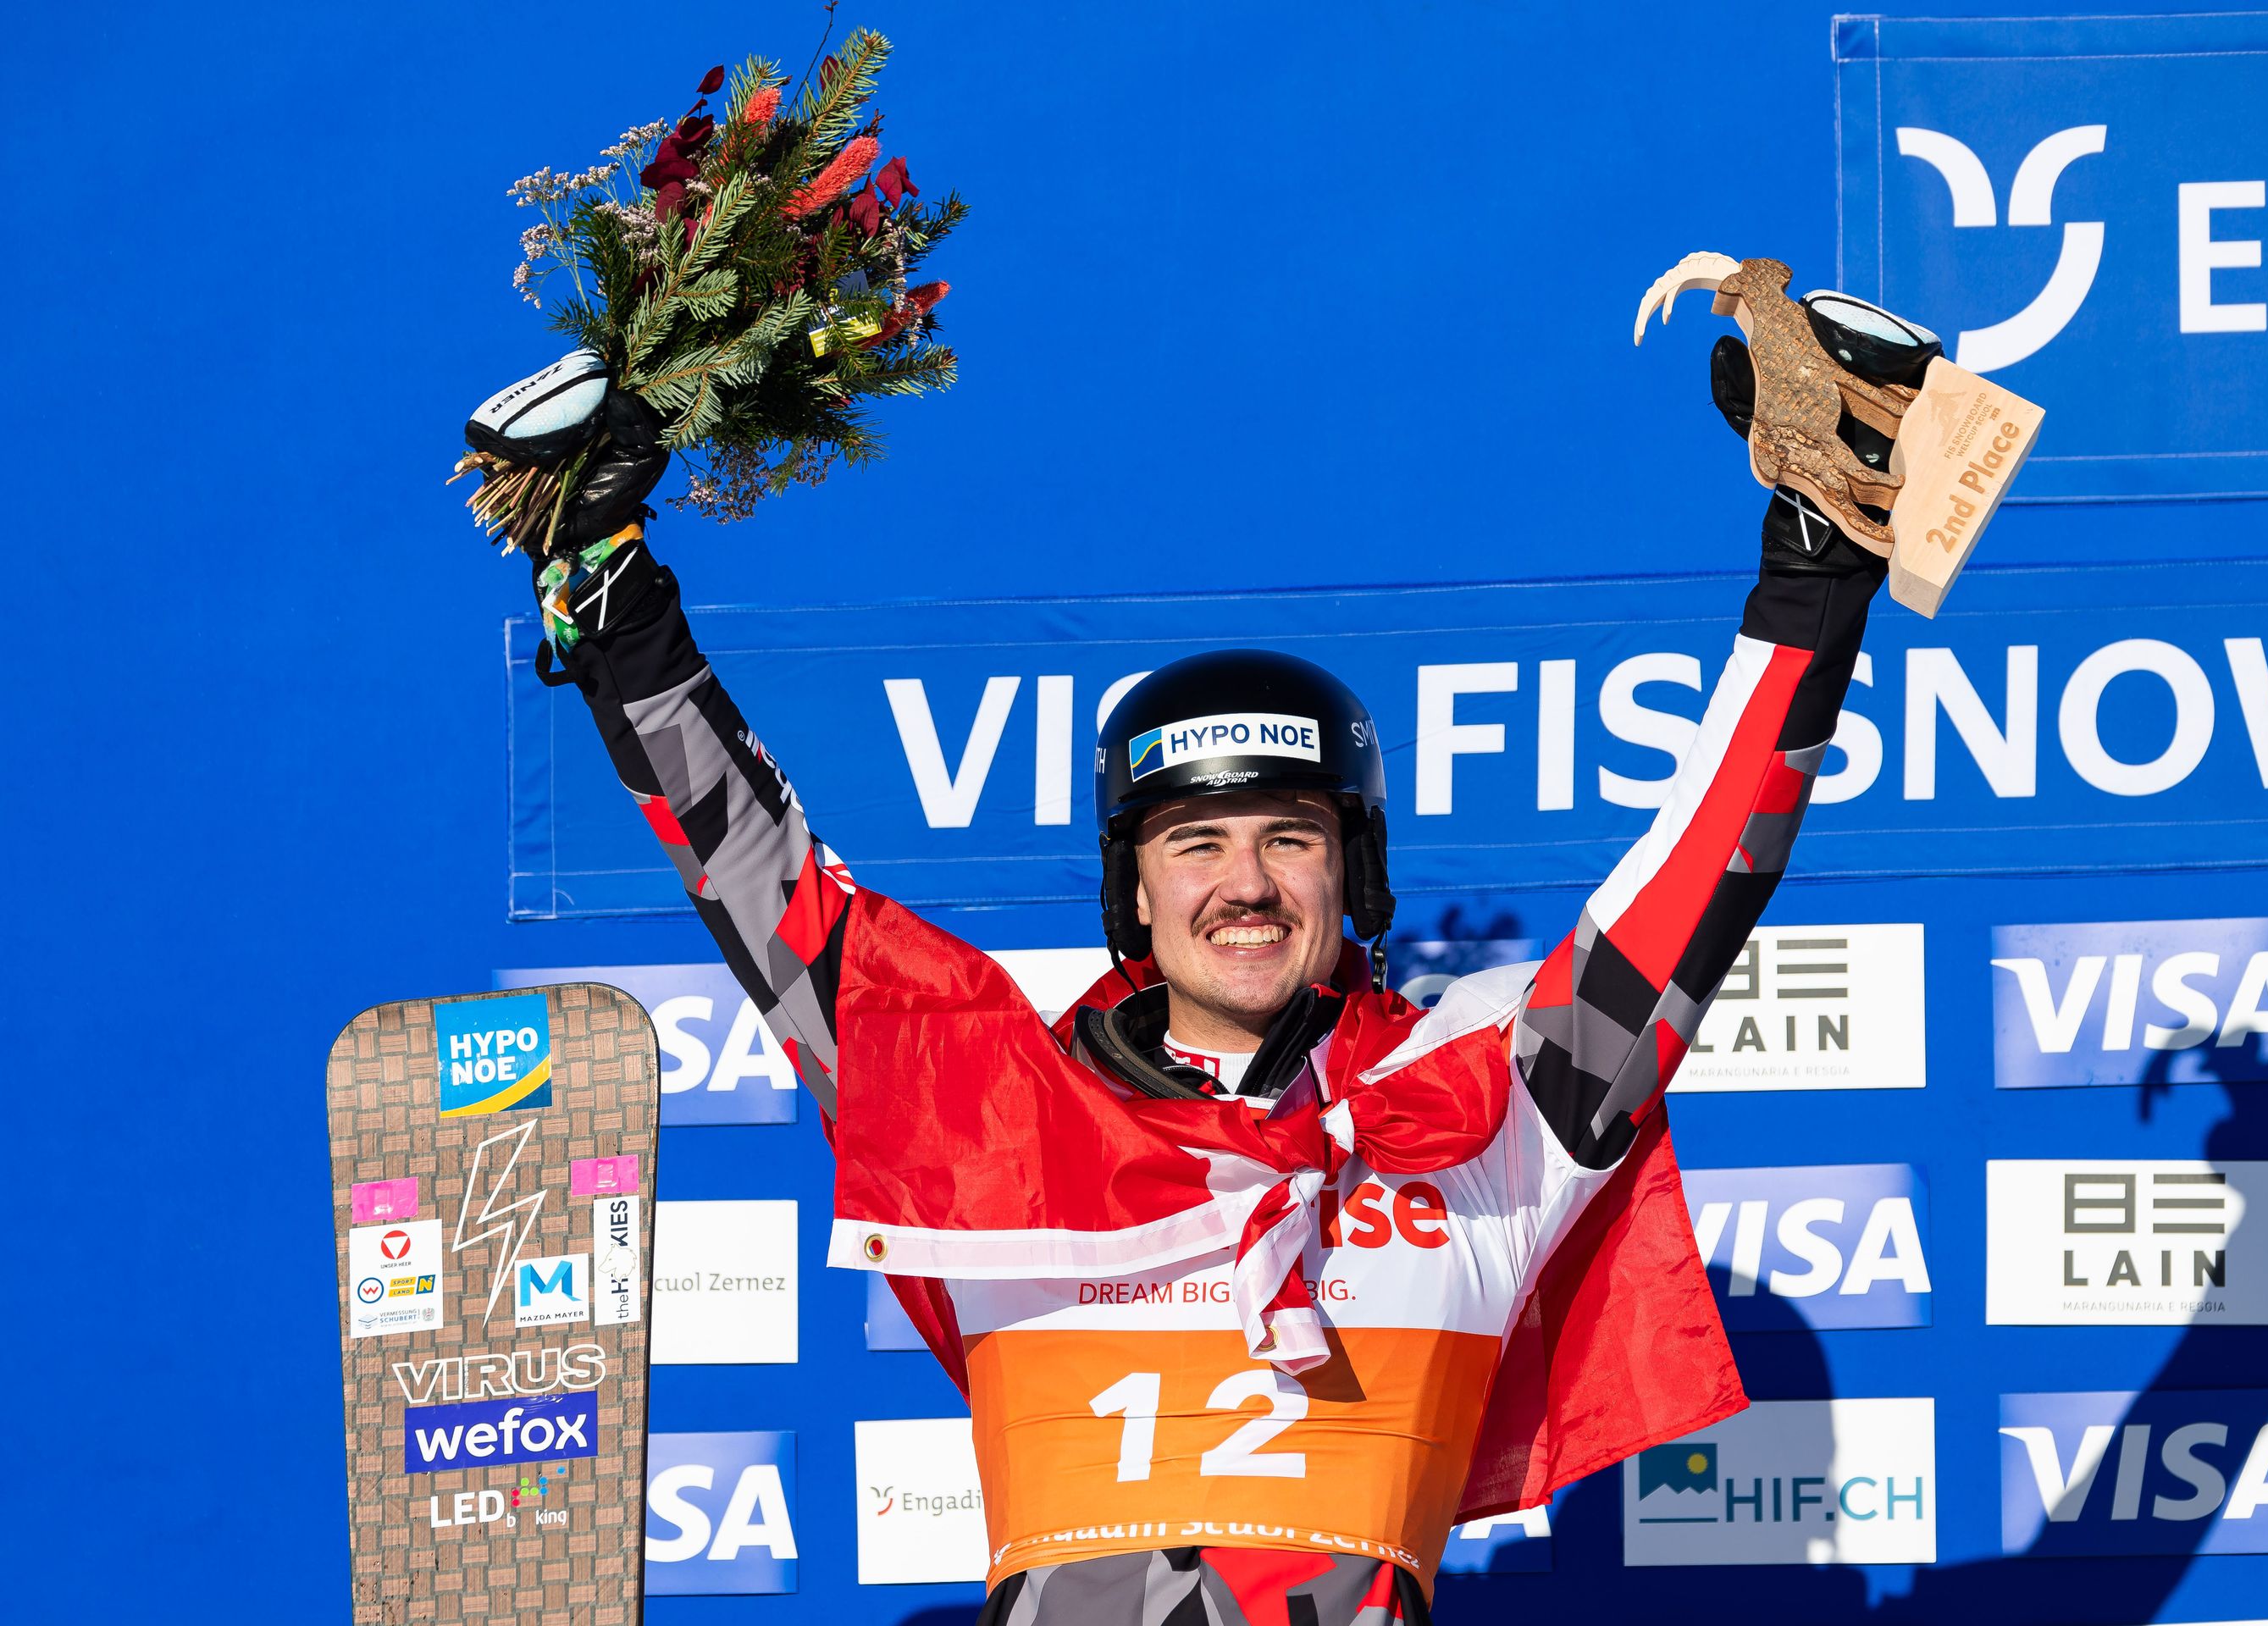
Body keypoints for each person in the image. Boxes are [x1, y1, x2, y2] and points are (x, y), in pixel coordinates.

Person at [492, 291, 1933, 1624]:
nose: (1245, 885)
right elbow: (764, 883)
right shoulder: (987, 1101)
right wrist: (616, 608)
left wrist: (1815, 579)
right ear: (1131, 888)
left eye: (1290, 838)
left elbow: (1689, 893)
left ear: (1353, 869)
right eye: (1195, 845)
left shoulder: (1483, 1114)